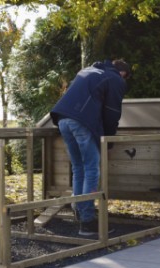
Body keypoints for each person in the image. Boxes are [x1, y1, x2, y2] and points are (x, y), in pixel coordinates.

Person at [50, 59, 131, 236]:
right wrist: (108, 143)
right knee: (92, 169)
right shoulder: (115, 78)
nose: (123, 82)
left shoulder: (87, 71)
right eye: (125, 78)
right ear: (122, 73)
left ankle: (79, 210)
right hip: (81, 122)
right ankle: (87, 221)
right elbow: (111, 112)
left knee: (78, 168)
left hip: (62, 119)